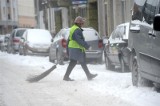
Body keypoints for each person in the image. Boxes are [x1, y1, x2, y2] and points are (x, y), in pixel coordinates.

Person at [63, 16, 98, 81]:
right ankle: (66, 76)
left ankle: (88, 75)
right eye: (82, 23)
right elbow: (79, 40)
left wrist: (67, 49)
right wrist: (87, 46)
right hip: (76, 49)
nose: (82, 25)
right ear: (79, 23)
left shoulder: (73, 28)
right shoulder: (77, 30)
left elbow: (68, 40)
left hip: (74, 49)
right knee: (76, 62)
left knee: (80, 62)